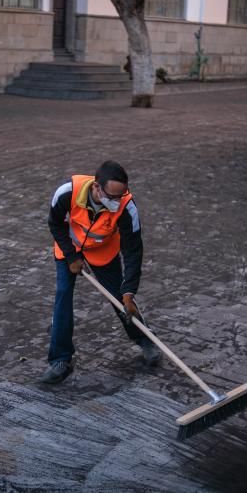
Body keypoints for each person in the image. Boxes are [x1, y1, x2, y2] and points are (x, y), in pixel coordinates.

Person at [42, 160, 161, 384]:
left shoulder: (127, 207)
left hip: (103, 250)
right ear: (97, 187)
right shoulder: (67, 192)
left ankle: (145, 339)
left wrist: (129, 292)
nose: (117, 201)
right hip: (70, 248)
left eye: (121, 196)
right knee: (63, 297)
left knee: (119, 298)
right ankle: (60, 360)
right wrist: (71, 256)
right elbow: (55, 223)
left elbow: (133, 250)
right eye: (112, 197)